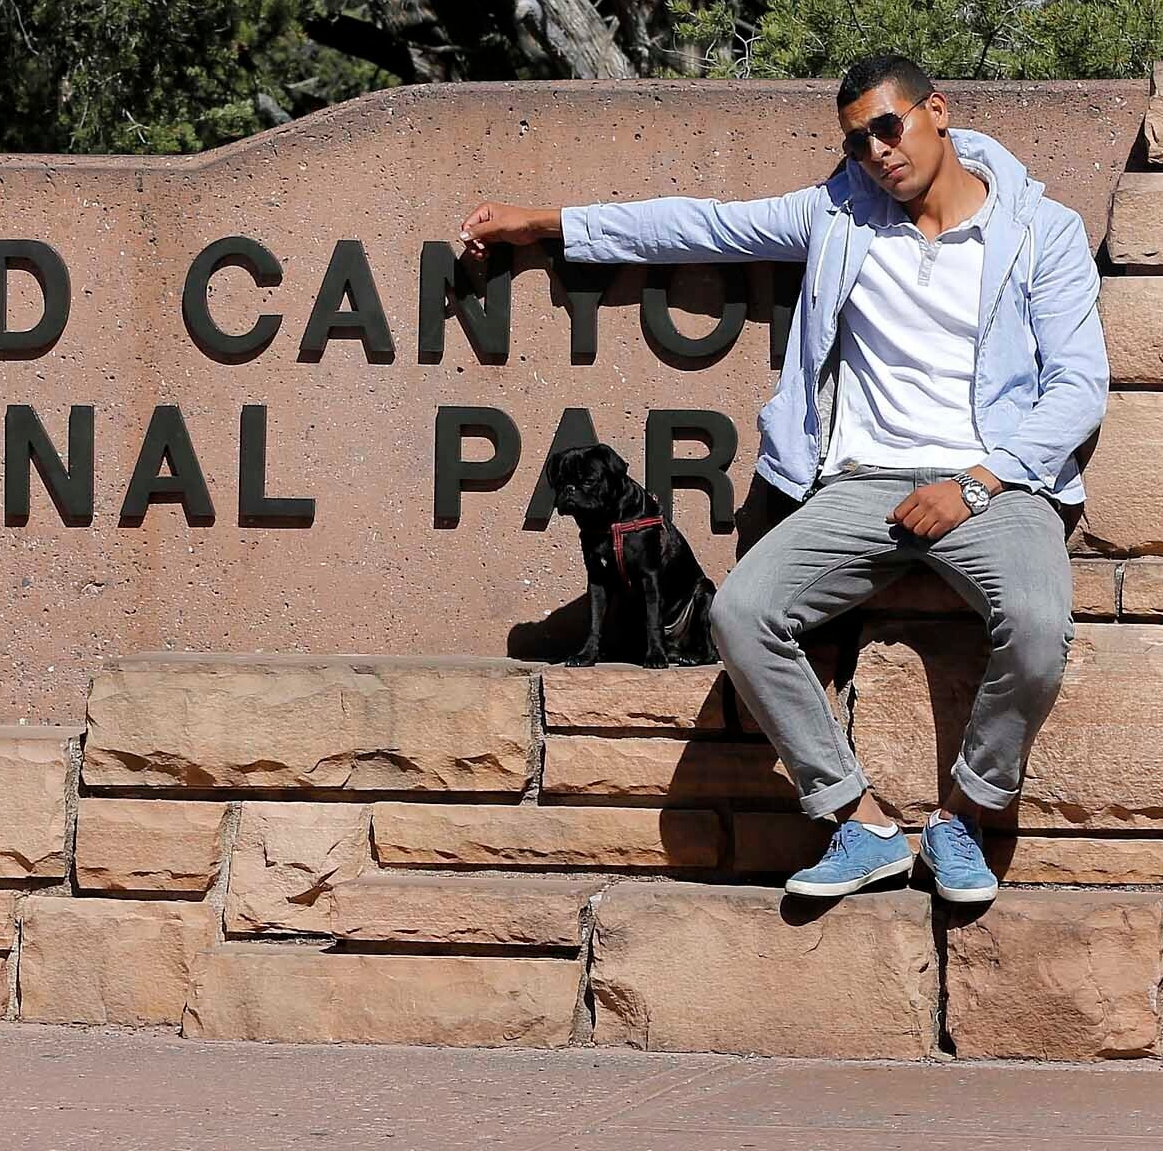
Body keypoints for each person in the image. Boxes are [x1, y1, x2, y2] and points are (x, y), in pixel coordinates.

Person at [457, 53, 1106, 907]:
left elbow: (1079, 385)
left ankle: (962, 817)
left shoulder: (1039, 231)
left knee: (1035, 626)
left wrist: (978, 483)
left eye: (889, 126)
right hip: (858, 484)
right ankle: (856, 820)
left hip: (994, 485)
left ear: (936, 112)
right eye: (857, 139)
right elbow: (698, 227)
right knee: (741, 612)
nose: (877, 151)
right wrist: (546, 225)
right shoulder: (837, 216)